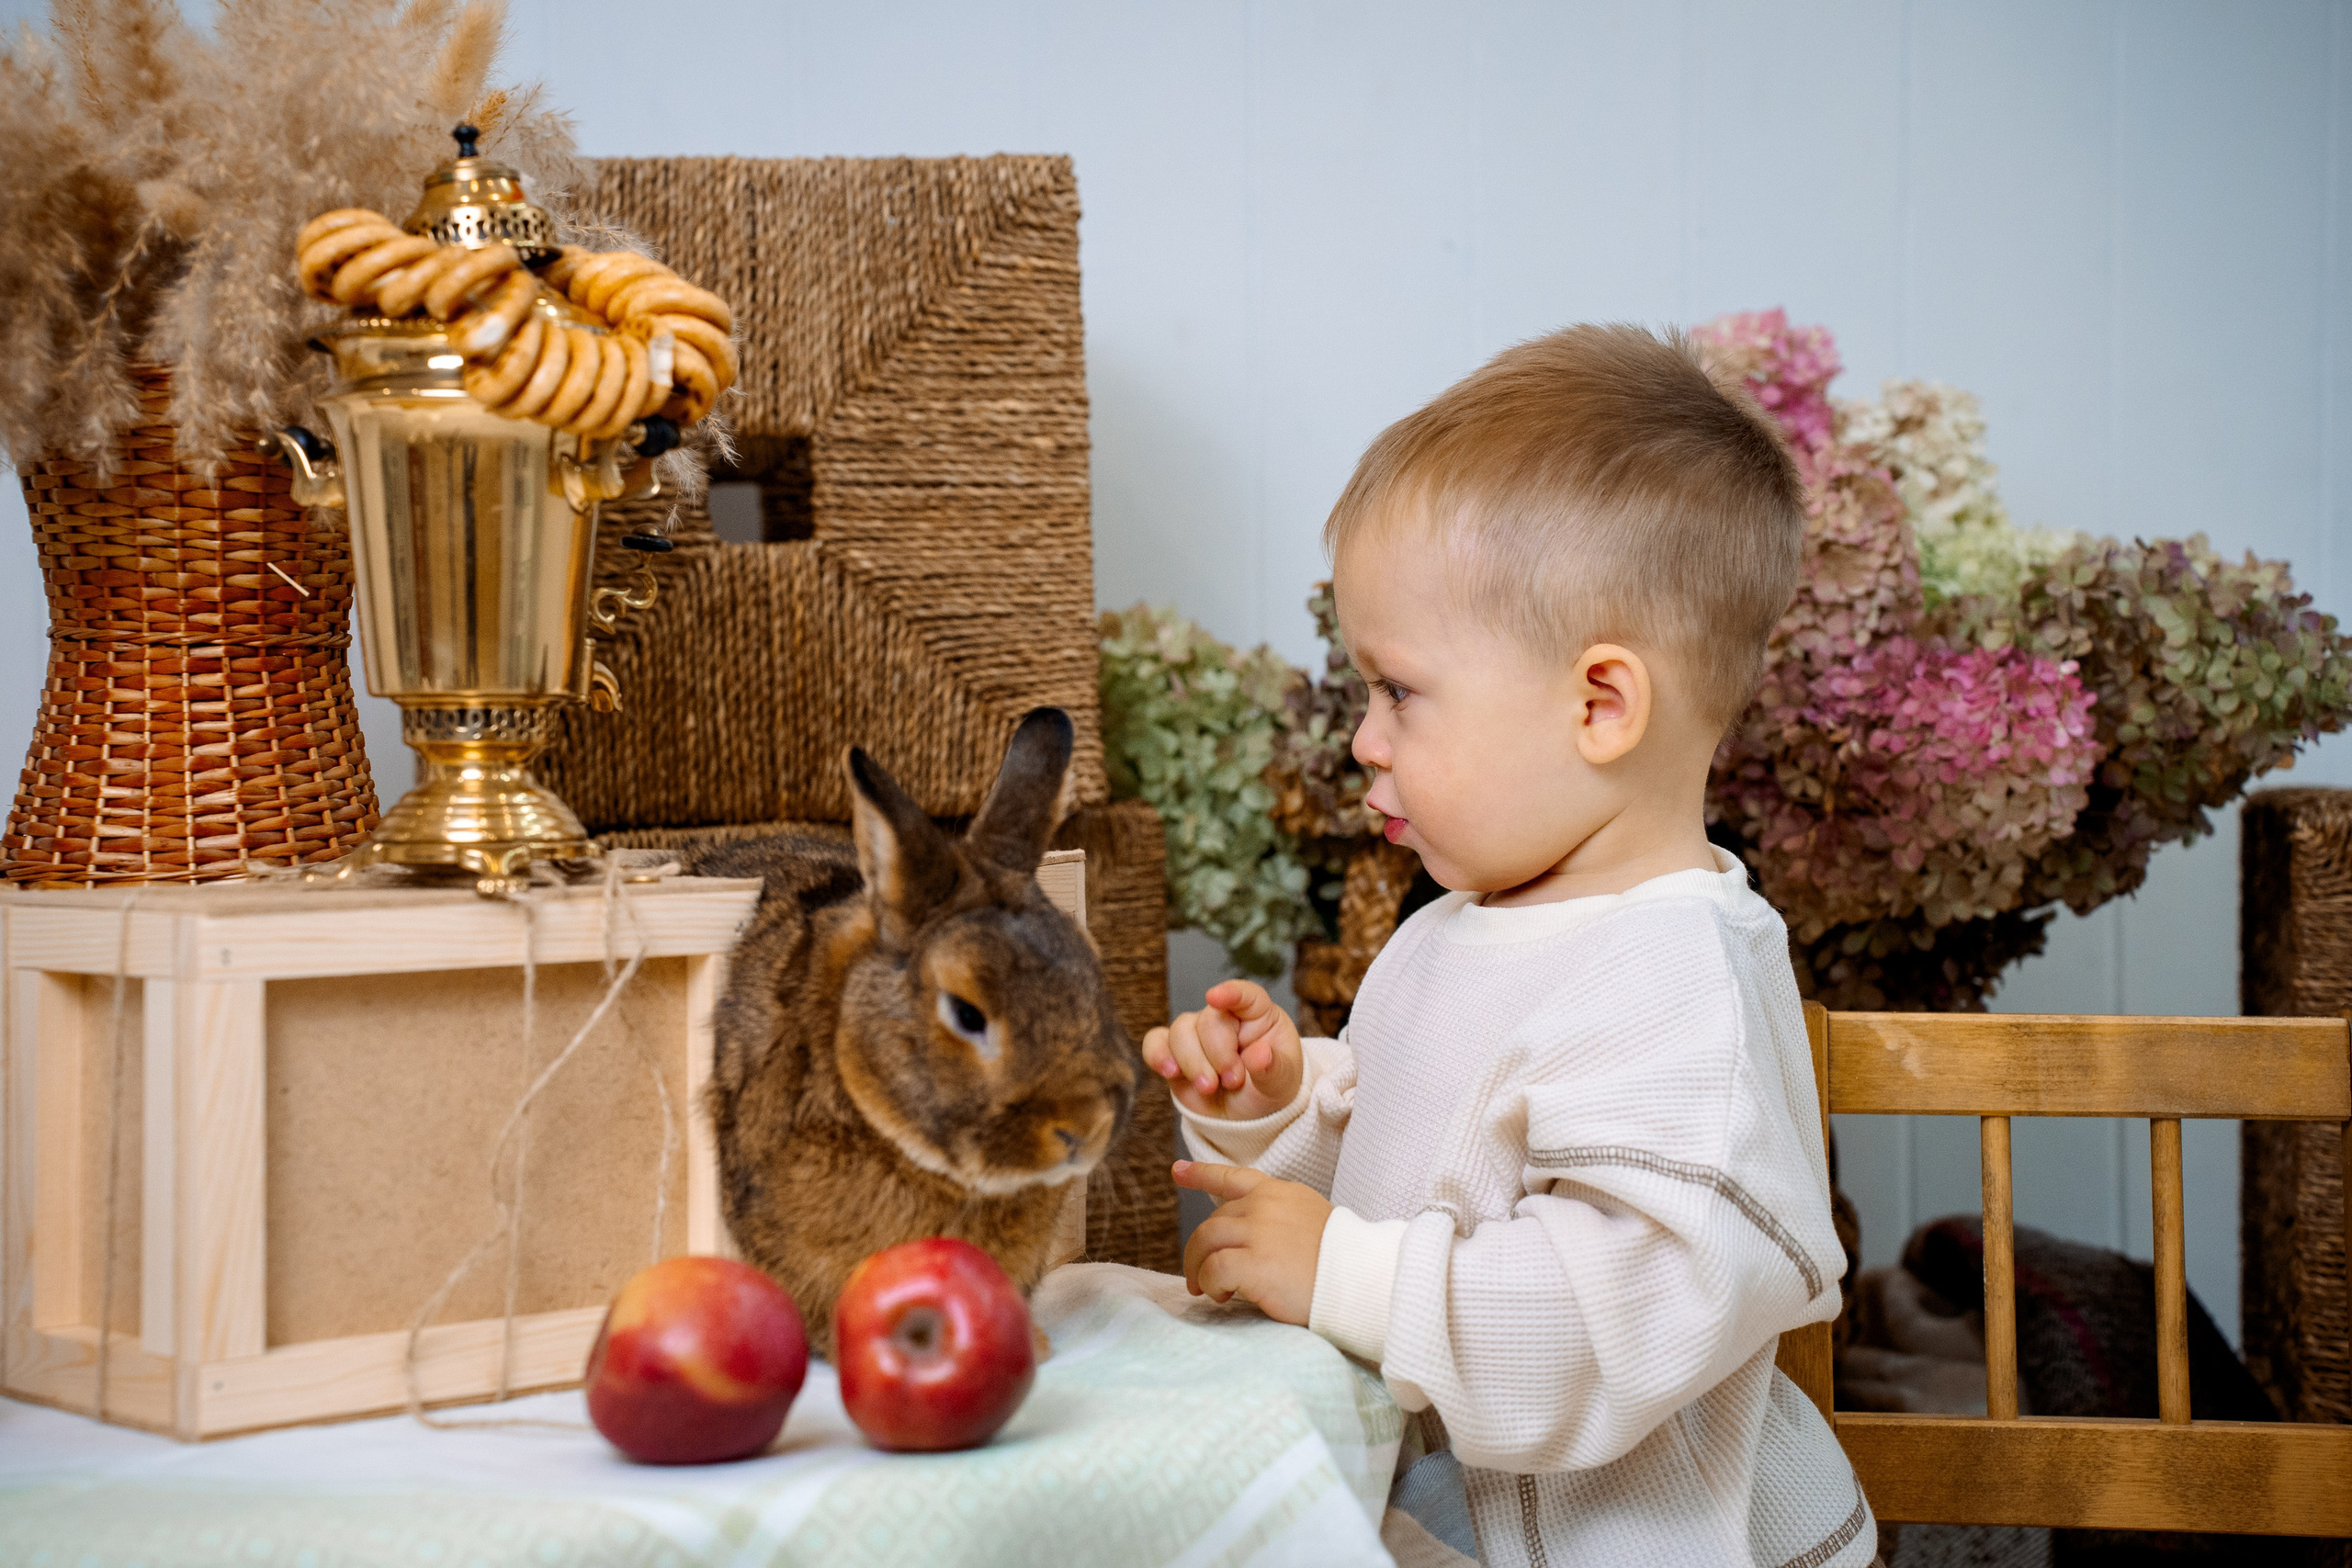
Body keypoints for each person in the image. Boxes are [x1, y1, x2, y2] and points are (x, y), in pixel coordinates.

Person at [1144, 325, 1874, 1567]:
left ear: (1600, 706)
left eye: (1400, 691)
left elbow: (1615, 1317)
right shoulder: (1454, 935)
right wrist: (1281, 1111)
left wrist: (1350, 1277)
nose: (1366, 739)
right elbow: (1403, 1181)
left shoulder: (1680, 976)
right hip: (1457, 1518)